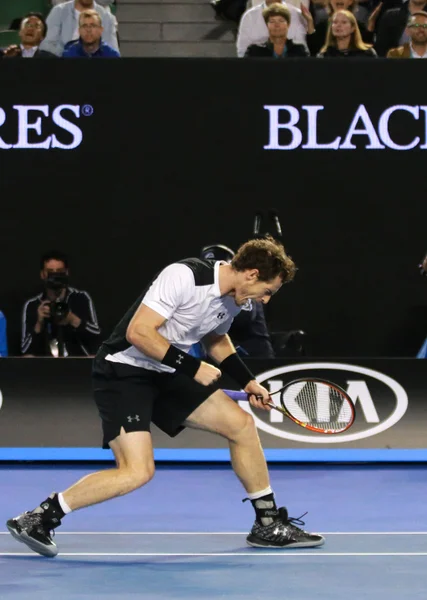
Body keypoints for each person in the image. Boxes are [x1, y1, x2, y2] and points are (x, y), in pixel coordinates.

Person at [7, 236, 324, 557]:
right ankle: (39, 518)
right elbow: (139, 332)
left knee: (241, 425)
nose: (265, 301)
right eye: (268, 291)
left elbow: (216, 338)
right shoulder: (185, 276)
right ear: (252, 274)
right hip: (124, 372)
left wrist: (248, 381)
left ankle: (267, 524)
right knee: (136, 471)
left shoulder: (234, 299)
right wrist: (191, 366)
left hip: (166, 371)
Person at [191, 243, 275, 358]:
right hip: (220, 356)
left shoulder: (247, 288)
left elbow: (243, 318)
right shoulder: (202, 289)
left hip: (254, 357)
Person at [21, 250, 101, 357]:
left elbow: (97, 336)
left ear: (66, 272)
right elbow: (25, 350)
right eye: (50, 272)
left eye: (59, 271)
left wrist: (72, 319)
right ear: (42, 274)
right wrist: (39, 323)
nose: (55, 276)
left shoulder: (80, 298)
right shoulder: (33, 305)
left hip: (77, 362)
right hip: (43, 366)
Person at [244, 3, 309, 57]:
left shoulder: (300, 50)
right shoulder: (254, 51)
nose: (277, 25)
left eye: (281, 21)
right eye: (272, 21)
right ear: (267, 25)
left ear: (288, 25)